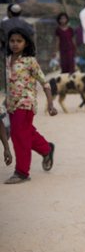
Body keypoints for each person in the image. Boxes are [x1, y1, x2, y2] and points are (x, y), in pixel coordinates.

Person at [3, 27, 57, 184]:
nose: (15, 44)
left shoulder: (30, 61)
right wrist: (6, 102)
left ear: (26, 43)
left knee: (18, 134)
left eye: (19, 41)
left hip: (25, 103)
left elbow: (45, 83)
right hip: (12, 104)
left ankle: (22, 172)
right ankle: (46, 149)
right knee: (24, 132)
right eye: (12, 40)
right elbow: (10, 84)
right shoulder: (7, 60)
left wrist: (50, 104)